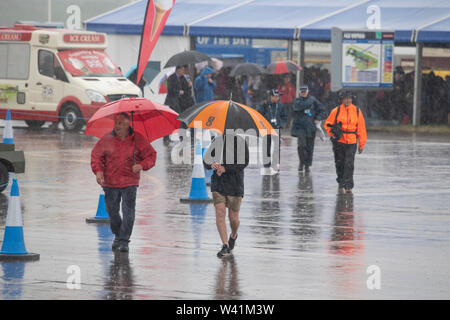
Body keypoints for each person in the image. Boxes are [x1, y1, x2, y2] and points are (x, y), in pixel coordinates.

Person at [91, 112, 157, 252]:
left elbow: (151, 156)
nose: (117, 126)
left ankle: (124, 241)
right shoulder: (106, 139)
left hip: (130, 181)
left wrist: (141, 165)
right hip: (110, 182)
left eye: (121, 123)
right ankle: (118, 234)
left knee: (128, 212)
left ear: (128, 125)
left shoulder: (138, 139)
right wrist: (98, 171)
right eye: (116, 123)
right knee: (112, 212)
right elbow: (96, 156)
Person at [203, 134, 249, 258]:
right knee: (220, 212)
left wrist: (225, 168)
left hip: (235, 184)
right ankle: (225, 245)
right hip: (219, 183)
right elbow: (206, 160)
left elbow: (244, 162)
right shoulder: (217, 140)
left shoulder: (240, 142)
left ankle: (233, 235)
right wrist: (211, 164)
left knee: (233, 219)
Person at [324, 91, 367, 194]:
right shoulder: (336, 111)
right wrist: (333, 134)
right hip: (339, 141)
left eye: (349, 98)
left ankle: (348, 186)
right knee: (339, 163)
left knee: (349, 164)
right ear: (342, 100)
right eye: (345, 98)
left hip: (352, 141)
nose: (348, 100)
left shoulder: (357, 111)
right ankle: (340, 182)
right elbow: (327, 125)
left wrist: (361, 144)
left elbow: (361, 128)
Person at [291, 85, 326, 172]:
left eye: (305, 91)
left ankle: (307, 164)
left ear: (307, 91)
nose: (303, 93)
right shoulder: (297, 101)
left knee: (309, 147)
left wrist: (318, 117)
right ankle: (302, 162)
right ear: (300, 92)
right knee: (301, 146)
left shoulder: (314, 101)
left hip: (311, 127)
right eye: (302, 92)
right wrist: (310, 102)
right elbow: (297, 107)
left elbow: (322, 110)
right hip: (300, 127)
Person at [257, 89, 287, 172]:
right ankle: (266, 163)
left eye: (278, 96)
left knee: (276, 147)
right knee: (266, 146)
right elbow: (259, 115)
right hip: (266, 129)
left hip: (276, 129)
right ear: (271, 96)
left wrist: (280, 124)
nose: (277, 98)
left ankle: (275, 163)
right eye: (275, 96)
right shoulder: (264, 104)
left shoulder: (280, 106)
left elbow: (284, 117)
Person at [163, 65, 184, 144]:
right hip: (172, 102)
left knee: (176, 119)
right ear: (178, 70)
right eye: (181, 70)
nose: (182, 71)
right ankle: (167, 137)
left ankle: (180, 137)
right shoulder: (172, 77)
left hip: (176, 102)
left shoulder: (180, 78)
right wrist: (178, 92)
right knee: (173, 119)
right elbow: (170, 89)